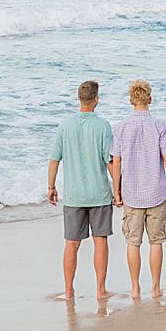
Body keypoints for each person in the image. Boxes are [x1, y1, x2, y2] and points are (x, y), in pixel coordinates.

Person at [109, 80, 166, 299]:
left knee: (133, 242)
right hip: (156, 192)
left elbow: (117, 163)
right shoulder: (160, 126)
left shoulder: (120, 128)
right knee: (156, 241)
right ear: (149, 99)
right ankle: (156, 287)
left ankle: (134, 288)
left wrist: (117, 192)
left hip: (132, 193)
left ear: (131, 101)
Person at [47, 80, 115, 300]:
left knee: (71, 243)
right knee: (100, 240)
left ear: (80, 99)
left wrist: (51, 186)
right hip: (99, 193)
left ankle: (68, 290)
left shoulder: (65, 126)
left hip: (74, 195)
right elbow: (109, 161)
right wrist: (119, 188)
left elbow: (54, 159)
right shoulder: (103, 126)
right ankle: (100, 290)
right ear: (96, 99)